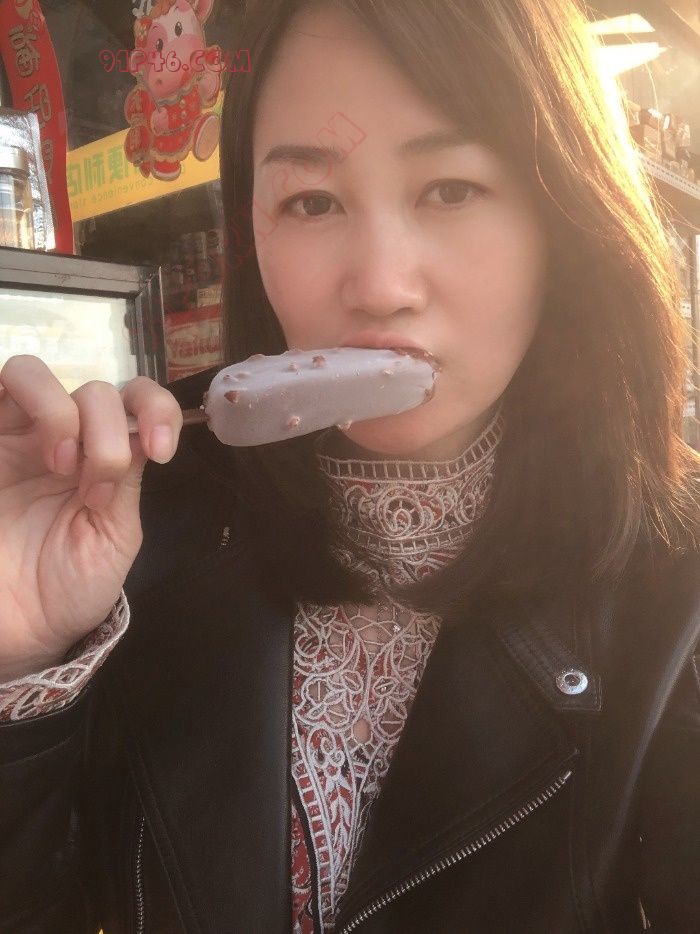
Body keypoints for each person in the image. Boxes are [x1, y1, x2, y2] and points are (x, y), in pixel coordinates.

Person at [1, 0, 699, 931]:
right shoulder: (135, 525)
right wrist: (20, 659)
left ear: (565, 216)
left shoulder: (676, 580)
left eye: (451, 188)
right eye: (312, 202)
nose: (378, 287)